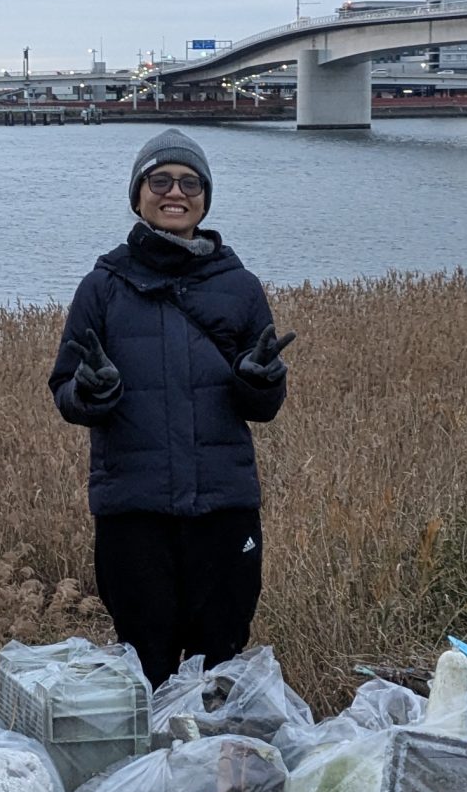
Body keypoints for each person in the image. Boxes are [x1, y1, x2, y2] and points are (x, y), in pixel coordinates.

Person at [48, 128, 295, 685]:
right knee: (146, 665)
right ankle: (151, 772)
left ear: (205, 198)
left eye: (189, 182)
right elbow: (66, 390)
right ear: (138, 195)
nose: (174, 192)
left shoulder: (241, 287)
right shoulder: (102, 287)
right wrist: (93, 391)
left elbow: (265, 404)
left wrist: (262, 382)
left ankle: (216, 770)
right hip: (134, 512)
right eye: (160, 181)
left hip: (223, 509)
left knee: (221, 665)